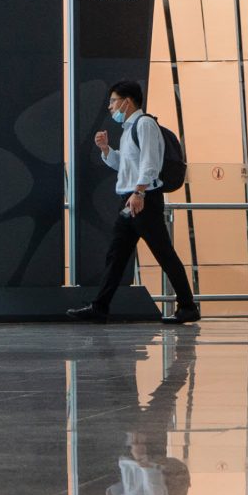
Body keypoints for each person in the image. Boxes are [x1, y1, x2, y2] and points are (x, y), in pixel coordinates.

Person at [68, 80, 200, 323]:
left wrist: (139, 193)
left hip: (143, 201)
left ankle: (188, 306)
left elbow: (150, 163)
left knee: (163, 254)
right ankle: (100, 307)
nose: (110, 107)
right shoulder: (129, 130)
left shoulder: (145, 124)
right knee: (116, 256)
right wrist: (106, 150)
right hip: (130, 201)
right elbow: (126, 167)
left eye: (113, 101)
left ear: (126, 102)